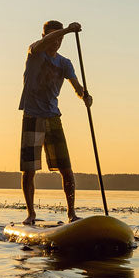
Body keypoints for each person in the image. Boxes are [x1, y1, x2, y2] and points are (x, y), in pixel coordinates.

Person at [18, 20, 92, 225]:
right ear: (44, 37)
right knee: (29, 169)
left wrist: (84, 96)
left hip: (53, 117)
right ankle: (31, 214)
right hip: (32, 116)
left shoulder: (64, 63)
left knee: (66, 169)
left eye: (60, 38)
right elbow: (42, 44)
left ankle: (71, 213)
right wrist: (67, 30)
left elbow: (76, 86)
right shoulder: (34, 51)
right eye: (54, 37)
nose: (57, 42)